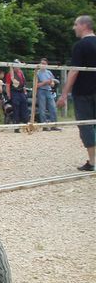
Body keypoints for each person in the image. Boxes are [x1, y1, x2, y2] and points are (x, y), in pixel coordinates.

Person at [57, 15, 96, 171]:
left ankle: (92, 162)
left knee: (86, 125)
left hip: (83, 92)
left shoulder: (80, 45)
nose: (74, 28)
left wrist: (64, 94)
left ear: (84, 25)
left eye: (75, 24)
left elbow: (74, 71)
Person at [35, 58, 60, 131]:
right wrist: (45, 82)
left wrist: (52, 83)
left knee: (53, 108)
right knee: (42, 109)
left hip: (49, 90)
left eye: (44, 63)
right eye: (41, 63)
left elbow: (52, 83)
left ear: (47, 65)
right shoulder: (37, 73)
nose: (43, 65)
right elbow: (36, 85)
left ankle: (54, 125)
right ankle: (44, 126)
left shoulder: (49, 72)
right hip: (41, 91)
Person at [5, 60, 29, 132]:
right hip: (14, 92)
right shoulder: (10, 74)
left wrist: (25, 91)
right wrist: (8, 95)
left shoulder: (21, 73)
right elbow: (8, 85)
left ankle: (26, 125)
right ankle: (16, 127)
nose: (18, 67)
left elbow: (23, 83)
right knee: (16, 109)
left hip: (21, 92)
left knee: (24, 108)